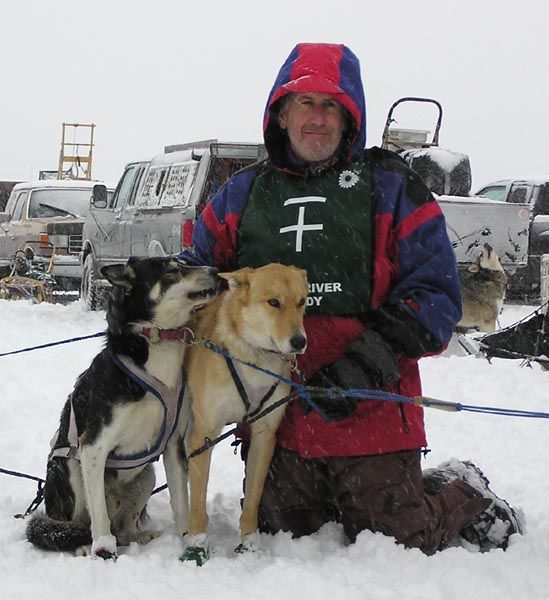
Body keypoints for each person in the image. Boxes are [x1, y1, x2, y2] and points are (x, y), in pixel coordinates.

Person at [180, 42, 523, 554]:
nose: (316, 118)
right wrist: (151, 299)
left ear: (350, 115)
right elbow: (198, 275)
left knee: (399, 538)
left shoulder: (390, 186)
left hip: (372, 409)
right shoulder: (243, 193)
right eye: (304, 103)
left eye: (331, 105)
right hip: (280, 415)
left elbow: (437, 296)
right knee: (288, 530)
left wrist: (364, 366)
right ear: (280, 113)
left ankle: (465, 489)